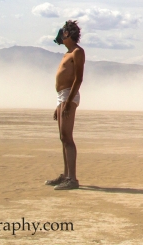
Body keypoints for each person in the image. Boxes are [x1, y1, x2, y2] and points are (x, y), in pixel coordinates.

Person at [44, 20, 85, 190]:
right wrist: (59, 104)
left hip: (69, 95)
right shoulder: (67, 53)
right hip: (62, 97)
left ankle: (72, 179)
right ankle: (66, 175)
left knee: (67, 137)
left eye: (63, 32)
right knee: (63, 137)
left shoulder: (77, 52)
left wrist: (68, 102)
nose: (60, 35)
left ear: (67, 33)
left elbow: (78, 79)